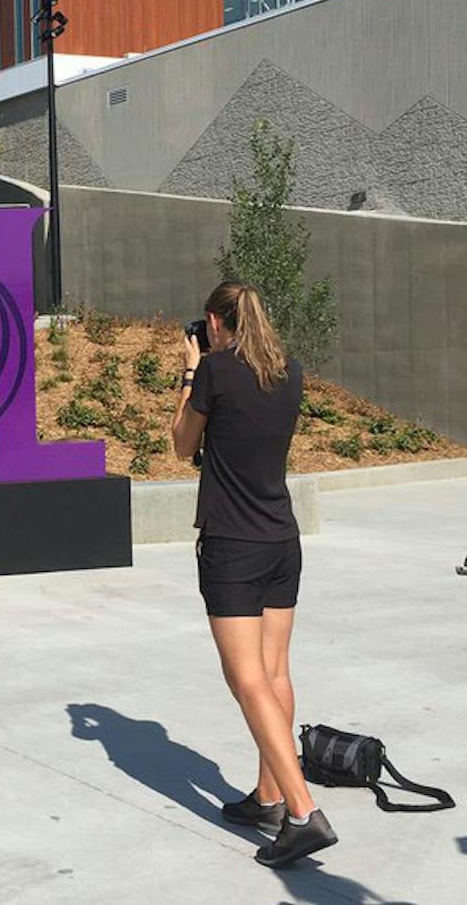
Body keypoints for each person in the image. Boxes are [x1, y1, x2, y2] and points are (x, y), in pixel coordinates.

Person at [169, 281, 336, 868]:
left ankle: (299, 810)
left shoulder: (215, 371)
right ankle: (268, 793)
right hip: (280, 540)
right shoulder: (287, 371)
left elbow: (181, 446)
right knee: (274, 671)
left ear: (216, 322)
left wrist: (191, 375)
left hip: (233, 545)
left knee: (246, 680)